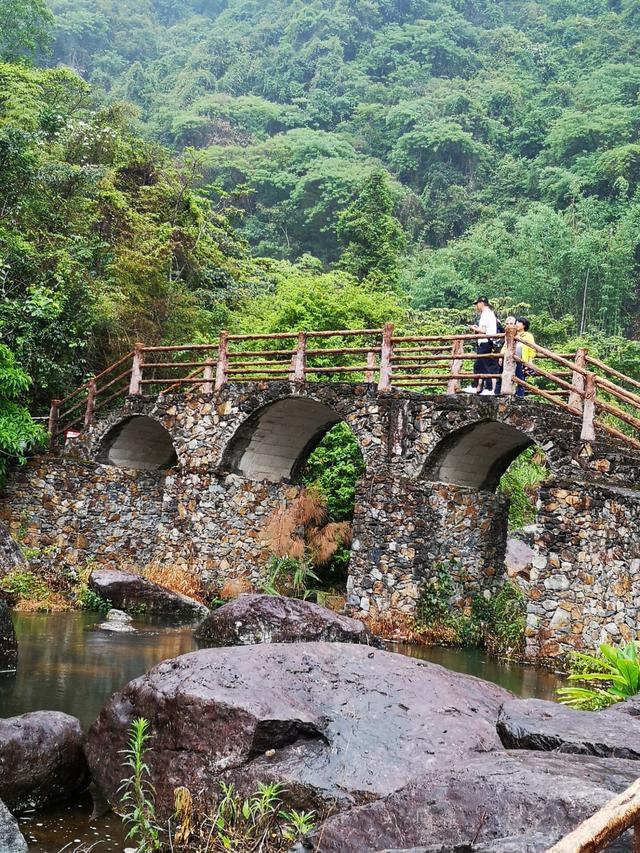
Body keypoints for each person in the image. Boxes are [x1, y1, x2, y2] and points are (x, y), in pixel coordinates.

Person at [464, 296, 498, 394]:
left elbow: (483, 330)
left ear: (481, 303)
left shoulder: (485, 314)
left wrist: (474, 328)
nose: (476, 306)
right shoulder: (489, 313)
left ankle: (489, 388)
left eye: (477, 304)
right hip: (486, 341)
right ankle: (479, 387)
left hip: (485, 342)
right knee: (480, 365)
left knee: (482, 365)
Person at [514, 316, 535, 398]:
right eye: (516, 322)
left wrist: (530, 360)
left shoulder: (528, 336)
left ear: (524, 325)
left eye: (519, 323)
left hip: (521, 360)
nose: (517, 324)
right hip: (511, 360)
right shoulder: (513, 334)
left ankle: (520, 396)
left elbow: (532, 348)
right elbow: (505, 345)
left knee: (520, 378)